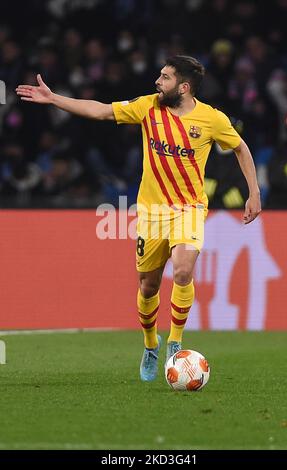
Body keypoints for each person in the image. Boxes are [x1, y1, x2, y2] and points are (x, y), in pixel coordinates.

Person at [16, 55, 261, 382]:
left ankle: (175, 342)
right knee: (148, 287)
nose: (157, 81)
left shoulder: (211, 119)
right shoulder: (148, 107)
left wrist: (254, 192)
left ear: (184, 87)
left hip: (188, 209)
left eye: (165, 77)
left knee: (184, 268)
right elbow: (101, 110)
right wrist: (54, 99)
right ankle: (150, 344)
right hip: (150, 213)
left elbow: (240, 148)